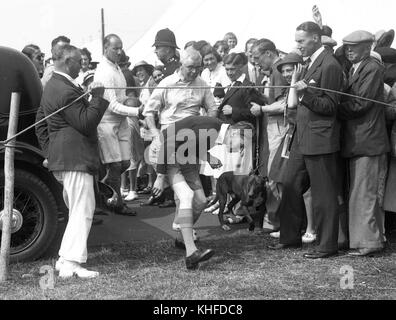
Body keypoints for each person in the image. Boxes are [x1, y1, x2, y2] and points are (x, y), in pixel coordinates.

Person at [269, 21, 344, 259]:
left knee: (323, 194)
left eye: (301, 41)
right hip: (302, 138)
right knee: (289, 184)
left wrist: (304, 93)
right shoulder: (309, 64)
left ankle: (326, 245)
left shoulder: (330, 65)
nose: (297, 45)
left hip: (320, 140)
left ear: (315, 38)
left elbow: (330, 106)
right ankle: (290, 238)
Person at [38, 44, 108, 278]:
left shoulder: (52, 86)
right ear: (68, 61)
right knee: (82, 210)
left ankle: (65, 258)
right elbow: (87, 122)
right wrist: (97, 98)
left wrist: (51, 153)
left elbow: (40, 123)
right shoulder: (65, 89)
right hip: (74, 158)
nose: (82, 65)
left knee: (77, 209)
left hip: (64, 159)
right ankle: (72, 263)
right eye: (79, 61)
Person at [151, 115, 253, 268]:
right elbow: (168, 144)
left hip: (184, 156)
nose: (239, 149)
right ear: (235, 133)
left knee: (201, 201)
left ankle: (182, 239)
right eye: (242, 144)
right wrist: (160, 176)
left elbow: (194, 145)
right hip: (165, 153)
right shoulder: (211, 129)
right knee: (186, 195)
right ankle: (191, 253)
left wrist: (209, 157)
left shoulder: (215, 132)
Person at [143, 47, 217, 243]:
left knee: (200, 200)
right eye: (190, 67)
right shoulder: (167, 83)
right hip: (169, 140)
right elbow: (149, 112)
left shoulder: (201, 84)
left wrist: (206, 130)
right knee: (183, 194)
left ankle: (183, 228)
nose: (194, 71)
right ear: (181, 64)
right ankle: (186, 237)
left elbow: (212, 108)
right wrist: (155, 133)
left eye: (198, 68)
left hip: (192, 141)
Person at [338, 30, 390, 256]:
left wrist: (333, 107)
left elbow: (361, 104)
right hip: (359, 140)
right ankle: (371, 240)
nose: (349, 50)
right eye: (347, 46)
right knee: (362, 192)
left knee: (365, 193)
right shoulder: (355, 67)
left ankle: (368, 243)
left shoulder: (372, 67)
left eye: (354, 46)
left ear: (368, 47)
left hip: (368, 140)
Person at [266, 53, 315, 244]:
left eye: (290, 70)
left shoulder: (304, 85)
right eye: (284, 71)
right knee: (282, 180)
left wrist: (295, 80)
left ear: (299, 68)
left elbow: (293, 105)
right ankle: (290, 226)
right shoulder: (290, 88)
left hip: (305, 137)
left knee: (306, 187)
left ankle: (310, 228)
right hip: (291, 136)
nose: (287, 74)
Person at [94, 34, 140, 216]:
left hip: (121, 121)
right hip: (106, 122)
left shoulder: (117, 69)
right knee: (114, 166)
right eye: (115, 48)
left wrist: (130, 101)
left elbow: (121, 98)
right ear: (105, 49)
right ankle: (117, 203)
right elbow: (111, 105)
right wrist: (137, 111)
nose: (120, 52)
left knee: (126, 163)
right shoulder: (104, 71)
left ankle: (100, 191)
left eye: (121, 48)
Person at [250, 38, 289, 232]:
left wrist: (262, 107)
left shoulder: (278, 72)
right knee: (272, 173)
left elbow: (284, 104)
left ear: (268, 53)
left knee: (275, 174)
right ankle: (273, 218)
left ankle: (275, 220)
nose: (256, 62)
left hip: (279, 127)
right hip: (272, 127)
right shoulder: (271, 72)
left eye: (257, 57)